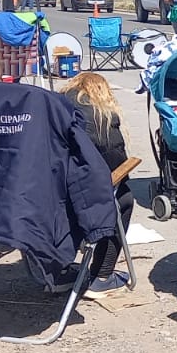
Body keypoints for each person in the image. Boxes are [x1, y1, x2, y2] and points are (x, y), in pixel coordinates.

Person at [62, 73, 134, 293]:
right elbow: (116, 162)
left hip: (50, 190)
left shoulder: (55, 109)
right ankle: (102, 274)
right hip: (85, 194)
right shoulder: (101, 116)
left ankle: (58, 273)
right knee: (123, 198)